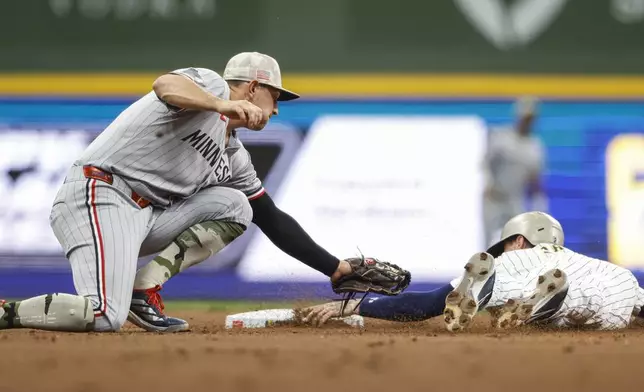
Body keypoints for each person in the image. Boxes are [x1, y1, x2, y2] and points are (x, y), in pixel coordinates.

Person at [0, 52, 406, 333]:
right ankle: (6, 313)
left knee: (237, 206)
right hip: (99, 194)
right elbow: (165, 85)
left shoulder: (234, 155)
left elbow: (271, 218)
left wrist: (336, 269)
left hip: (143, 217)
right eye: (275, 96)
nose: (278, 107)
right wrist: (219, 104)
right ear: (251, 88)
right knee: (105, 315)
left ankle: (145, 289)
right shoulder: (209, 86)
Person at [303, 212, 644, 331]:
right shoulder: (590, 261)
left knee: (565, 312)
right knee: (613, 308)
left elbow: (430, 305)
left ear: (520, 239)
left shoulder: (514, 258)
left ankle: (542, 305)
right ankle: (548, 304)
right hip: (619, 285)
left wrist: (354, 305)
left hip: (534, 281)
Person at [483, 96, 547, 247]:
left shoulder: (534, 146)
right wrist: (488, 184)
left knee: (518, 241)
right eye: (525, 118)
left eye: (530, 118)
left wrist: (539, 202)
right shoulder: (502, 138)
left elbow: (535, 178)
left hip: (515, 198)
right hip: (494, 198)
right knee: (489, 243)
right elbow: (486, 163)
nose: (527, 121)